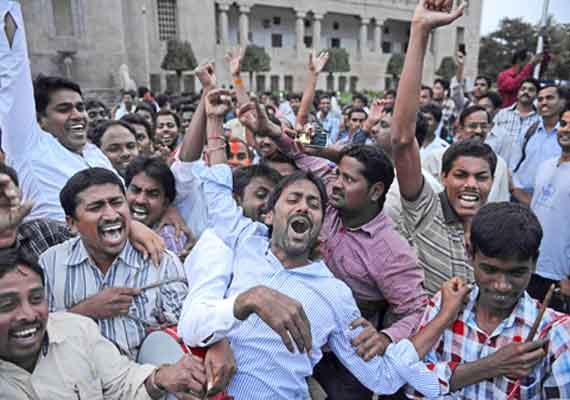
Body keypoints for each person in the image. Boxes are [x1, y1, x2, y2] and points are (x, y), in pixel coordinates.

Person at [179, 97, 471, 397]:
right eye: (293, 200)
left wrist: (437, 321)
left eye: (313, 204)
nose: (304, 207)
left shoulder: (337, 293)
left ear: (323, 224)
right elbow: (218, 187)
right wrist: (216, 119)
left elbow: (384, 377)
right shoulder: (245, 240)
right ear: (269, 213)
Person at [236, 96, 428, 399]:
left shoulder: (392, 252)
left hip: (345, 357)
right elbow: (298, 147)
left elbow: (418, 309)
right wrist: (271, 130)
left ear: (375, 192)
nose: (335, 183)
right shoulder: (328, 187)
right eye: (337, 173)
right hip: (290, 331)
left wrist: (385, 338)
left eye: (348, 179)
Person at [0, 246, 215, 399]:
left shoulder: (77, 330)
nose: (28, 314)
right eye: (7, 304)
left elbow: (122, 385)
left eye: (36, 299)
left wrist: (160, 378)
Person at [407, 202, 570, 399]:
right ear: (470, 254)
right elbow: (413, 384)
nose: (502, 285)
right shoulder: (445, 306)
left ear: (534, 263)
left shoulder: (556, 333)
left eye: (516, 273)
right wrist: (493, 364)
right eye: (490, 270)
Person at [390, 0, 496, 296]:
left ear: (492, 181)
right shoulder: (426, 209)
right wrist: (420, 31)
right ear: (443, 176)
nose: (471, 185)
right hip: (422, 337)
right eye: (461, 175)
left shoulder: (495, 229)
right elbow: (401, 139)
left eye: (481, 177)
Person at [39, 168, 188, 359]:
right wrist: (86, 311)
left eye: (117, 202)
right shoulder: (50, 264)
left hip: (147, 383)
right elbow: (36, 337)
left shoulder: (161, 261)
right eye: (96, 207)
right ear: (72, 224)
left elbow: (184, 332)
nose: (111, 215)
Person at [0, 4, 116, 222]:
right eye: (64, 109)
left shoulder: (95, 154)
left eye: (80, 107)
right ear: (40, 119)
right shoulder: (29, 146)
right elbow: (12, 70)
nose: (77, 115)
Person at [527, 105, 570, 313]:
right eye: (563, 124)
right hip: (530, 265)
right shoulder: (545, 166)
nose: (566, 130)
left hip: (560, 277)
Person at [422, 106, 510, 203]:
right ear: (460, 128)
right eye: (473, 126)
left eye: (484, 126)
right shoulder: (435, 158)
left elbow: (501, 202)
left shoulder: (499, 164)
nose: (479, 131)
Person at [125, 157, 192, 260]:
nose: (140, 200)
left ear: (165, 203)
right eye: (135, 190)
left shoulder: (170, 238)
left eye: (152, 194)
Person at [511, 84, 564, 204]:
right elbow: (513, 165)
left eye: (550, 98)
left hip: (552, 202)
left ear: (561, 103)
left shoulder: (565, 135)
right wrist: (517, 191)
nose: (544, 102)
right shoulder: (530, 131)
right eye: (540, 99)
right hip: (519, 199)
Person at [492, 78, 541, 169]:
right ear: (518, 93)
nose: (526, 92)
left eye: (531, 90)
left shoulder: (540, 119)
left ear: (537, 95)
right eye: (523, 89)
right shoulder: (502, 114)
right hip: (499, 166)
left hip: (525, 169)